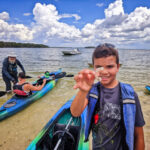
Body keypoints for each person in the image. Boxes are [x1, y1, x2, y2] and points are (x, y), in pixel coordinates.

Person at [70, 43, 145, 150]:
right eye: (99, 67)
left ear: (118, 67)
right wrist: (82, 91)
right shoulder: (92, 91)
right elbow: (75, 112)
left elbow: (139, 135)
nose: (104, 72)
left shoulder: (130, 95)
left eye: (110, 66)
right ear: (93, 67)